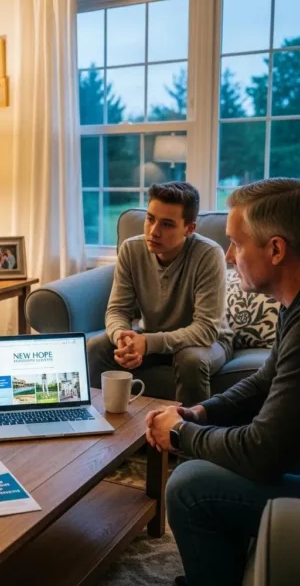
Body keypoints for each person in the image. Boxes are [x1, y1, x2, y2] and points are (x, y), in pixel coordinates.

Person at [146, 178, 300, 586]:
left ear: (276, 249)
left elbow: (261, 452)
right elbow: (264, 380)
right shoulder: (293, 306)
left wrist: (180, 432)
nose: (229, 257)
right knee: (211, 448)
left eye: (236, 243)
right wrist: (200, 412)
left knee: (188, 484)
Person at [87, 181, 233, 407]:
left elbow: (205, 330)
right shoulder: (131, 249)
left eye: (167, 224)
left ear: (189, 228)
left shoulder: (209, 254)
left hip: (209, 341)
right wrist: (123, 339)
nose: (154, 231)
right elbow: (117, 310)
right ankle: (102, 423)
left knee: (190, 359)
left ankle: (190, 434)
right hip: (151, 335)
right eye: (150, 219)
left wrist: (147, 343)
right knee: (95, 347)